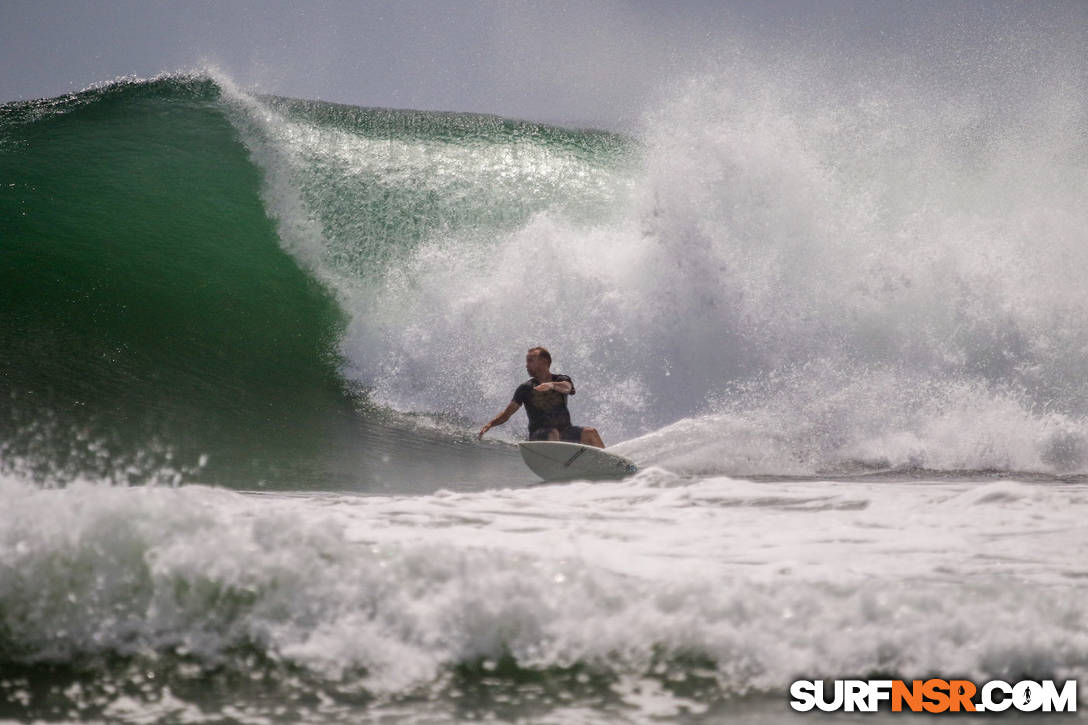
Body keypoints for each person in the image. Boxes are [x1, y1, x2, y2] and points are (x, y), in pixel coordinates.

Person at [478, 346, 605, 448]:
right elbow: (507, 413)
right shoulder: (525, 388)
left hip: (565, 432)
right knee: (553, 433)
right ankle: (559, 466)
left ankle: (610, 465)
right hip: (539, 436)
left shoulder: (561, 380)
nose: (526, 365)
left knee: (591, 432)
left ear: (544, 362)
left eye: (530, 361)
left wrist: (551, 385)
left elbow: (567, 387)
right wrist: (490, 424)